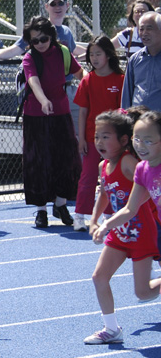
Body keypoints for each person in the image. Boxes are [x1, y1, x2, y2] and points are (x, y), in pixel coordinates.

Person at [90, 109, 161, 344]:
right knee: (101, 277)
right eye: (137, 139)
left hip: (142, 233)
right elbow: (130, 207)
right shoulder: (142, 169)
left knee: (143, 292)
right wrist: (103, 224)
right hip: (122, 232)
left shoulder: (129, 164)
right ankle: (111, 329)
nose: (141, 145)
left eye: (148, 140)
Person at [0, 0, 86, 135]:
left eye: (60, 3)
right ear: (46, 7)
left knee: (75, 133)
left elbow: (74, 52)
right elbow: (16, 50)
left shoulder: (66, 32)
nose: (57, 7)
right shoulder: (36, 30)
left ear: (67, 5)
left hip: (66, 90)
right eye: (53, 4)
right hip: (45, 92)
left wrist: (97, 53)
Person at [19, 16, 84, 228]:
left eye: (43, 39)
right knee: (38, 162)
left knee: (67, 160)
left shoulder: (63, 53)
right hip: (35, 115)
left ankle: (61, 204)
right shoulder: (29, 57)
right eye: (34, 40)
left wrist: (91, 89)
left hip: (61, 113)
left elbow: (80, 73)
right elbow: (33, 81)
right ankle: (41, 210)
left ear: (52, 37)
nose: (39, 44)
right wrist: (43, 100)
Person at [72, 36, 124, 231]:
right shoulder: (87, 80)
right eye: (91, 54)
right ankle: (80, 215)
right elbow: (82, 112)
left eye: (98, 54)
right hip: (92, 138)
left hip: (115, 141)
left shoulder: (120, 79)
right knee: (88, 176)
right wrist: (81, 139)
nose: (94, 58)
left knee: (111, 177)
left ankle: (109, 215)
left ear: (108, 55)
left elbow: (123, 111)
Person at [121, 12, 161, 111]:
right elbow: (127, 93)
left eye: (149, 28)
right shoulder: (135, 59)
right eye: (141, 29)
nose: (144, 33)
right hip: (138, 117)